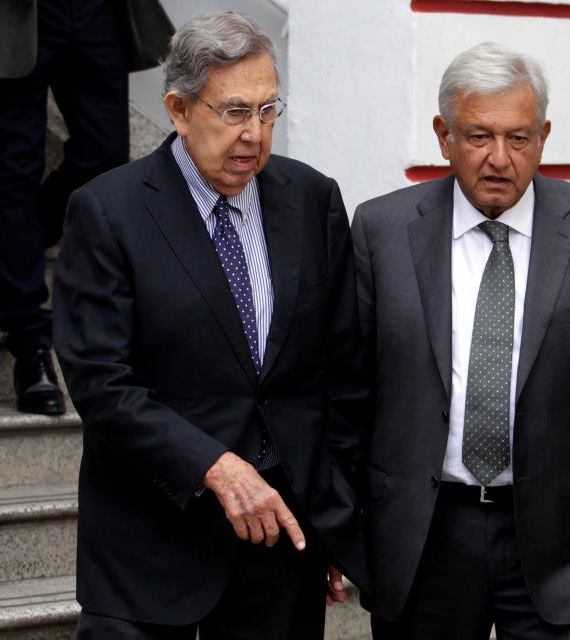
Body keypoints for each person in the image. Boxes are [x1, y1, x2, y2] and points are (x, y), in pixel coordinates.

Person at [52, 11, 369, 639]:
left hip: (278, 542)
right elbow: (100, 383)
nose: (254, 134)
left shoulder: (312, 200)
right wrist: (215, 465)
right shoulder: (107, 211)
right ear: (178, 109)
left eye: (267, 110)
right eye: (233, 112)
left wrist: (334, 515)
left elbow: (340, 374)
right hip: (149, 549)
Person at [351, 42, 570, 640]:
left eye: (518, 138)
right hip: (424, 538)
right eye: (478, 137)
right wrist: (340, 526)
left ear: (543, 136)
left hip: (566, 538)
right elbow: (352, 394)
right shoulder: (379, 230)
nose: (499, 159)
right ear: (443, 135)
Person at [0, 0, 174, 415]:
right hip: (12, 14)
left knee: (104, 158)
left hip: (95, 10)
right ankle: (29, 344)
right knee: (14, 166)